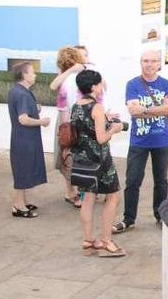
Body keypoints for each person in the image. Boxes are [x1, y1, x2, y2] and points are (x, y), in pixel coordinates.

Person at [112, 50, 168, 234]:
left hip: (162, 140)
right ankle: (128, 219)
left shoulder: (166, 84)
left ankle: (160, 215)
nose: (149, 64)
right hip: (139, 141)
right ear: (141, 63)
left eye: (153, 61)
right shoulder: (132, 84)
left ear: (159, 64)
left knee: (161, 180)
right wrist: (159, 108)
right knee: (132, 180)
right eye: (146, 61)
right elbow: (133, 111)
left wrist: (145, 109)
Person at [72, 69, 126, 257]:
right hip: (100, 161)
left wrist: (105, 119)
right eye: (100, 83)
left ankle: (88, 240)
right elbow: (101, 138)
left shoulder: (77, 105)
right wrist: (114, 129)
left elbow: (85, 129)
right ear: (94, 86)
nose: (102, 85)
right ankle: (106, 240)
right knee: (113, 197)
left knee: (88, 198)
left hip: (81, 159)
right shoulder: (97, 107)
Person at [7, 62, 49, 218]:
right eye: (32, 72)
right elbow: (23, 119)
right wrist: (41, 122)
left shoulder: (18, 91)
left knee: (22, 170)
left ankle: (22, 201)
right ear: (24, 75)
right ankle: (18, 206)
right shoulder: (23, 94)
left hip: (22, 138)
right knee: (22, 172)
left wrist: (35, 108)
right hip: (24, 140)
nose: (35, 75)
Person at [48, 46, 86, 207]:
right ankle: (70, 191)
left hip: (76, 117)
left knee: (76, 154)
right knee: (66, 154)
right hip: (65, 119)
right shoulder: (67, 73)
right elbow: (53, 85)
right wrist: (70, 70)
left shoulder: (84, 70)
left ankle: (75, 190)